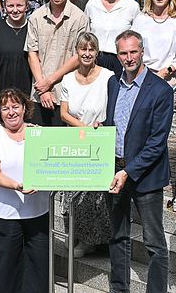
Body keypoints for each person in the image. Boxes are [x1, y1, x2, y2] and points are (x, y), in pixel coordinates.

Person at [104, 30, 173, 293]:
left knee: (154, 242)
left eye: (133, 52)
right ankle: (119, 289)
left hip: (145, 176)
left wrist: (129, 172)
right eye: (123, 53)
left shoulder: (161, 90)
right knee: (118, 235)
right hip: (116, 169)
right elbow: (115, 124)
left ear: (142, 51)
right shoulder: (113, 83)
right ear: (118, 54)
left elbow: (157, 142)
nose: (129, 57)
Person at [0, 88, 49, 293]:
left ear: (24, 108)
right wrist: (17, 186)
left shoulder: (39, 133)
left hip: (38, 212)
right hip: (7, 214)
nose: (11, 112)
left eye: (15, 107)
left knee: (38, 267)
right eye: (5, 108)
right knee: (7, 267)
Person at [59, 33, 113, 257]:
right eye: (83, 49)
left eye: (91, 49)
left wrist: (97, 128)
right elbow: (63, 113)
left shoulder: (108, 77)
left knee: (94, 196)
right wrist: (84, 128)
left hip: (100, 139)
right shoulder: (68, 79)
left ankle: (93, 241)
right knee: (73, 193)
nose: (87, 53)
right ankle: (77, 235)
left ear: (97, 52)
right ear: (77, 52)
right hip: (76, 139)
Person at [25, 0, 89, 126]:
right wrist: (43, 87)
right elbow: (32, 53)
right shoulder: (36, 17)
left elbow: (79, 55)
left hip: (67, 91)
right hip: (40, 91)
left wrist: (50, 81)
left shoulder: (79, 18)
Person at [131, 0, 176, 91]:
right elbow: (132, 48)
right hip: (140, 76)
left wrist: (165, 72)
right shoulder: (140, 19)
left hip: (167, 79)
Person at [84, 0, 140, 76]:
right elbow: (86, 35)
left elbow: (138, 38)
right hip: (96, 60)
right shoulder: (92, 4)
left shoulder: (131, 6)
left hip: (121, 61)